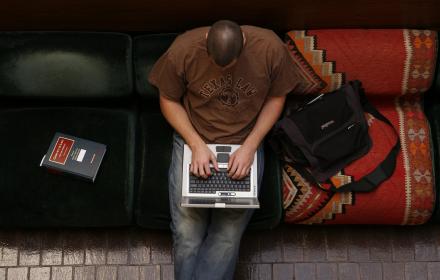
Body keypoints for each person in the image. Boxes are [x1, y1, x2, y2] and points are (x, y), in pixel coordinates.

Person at [148, 20, 312, 280]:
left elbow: (276, 97)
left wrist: (250, 146)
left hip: (244, 142)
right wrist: (195, 143)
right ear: (205, 42)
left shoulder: (270, 48)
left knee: (228, 234)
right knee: (186, 232)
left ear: (244, 44)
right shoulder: (183, 49)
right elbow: (168, 99)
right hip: (196, 138)